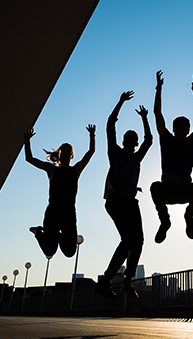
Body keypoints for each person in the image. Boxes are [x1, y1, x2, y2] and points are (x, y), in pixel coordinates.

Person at [93, 91, 153, 301]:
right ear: (124, 141)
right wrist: (120, 102)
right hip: (116, 200)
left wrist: (145, 119)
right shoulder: (115, 153)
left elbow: (149, 140)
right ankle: (106, 281)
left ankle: (126, 281)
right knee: (128, 239)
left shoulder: (137, 158)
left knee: (138, 241)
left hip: (130, 202)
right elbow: (110, 125)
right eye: (128, 138)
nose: (130, 141)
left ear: (134, 143)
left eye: (133, 139)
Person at [150, 70, 193, 243]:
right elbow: (157, 114)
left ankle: (189, 216)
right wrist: (158, 89)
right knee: (154, 187)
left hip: (184, 190)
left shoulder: (192, 142)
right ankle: (165, 221)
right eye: (178, 129)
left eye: (185, 130)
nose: (182, 133)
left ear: (188, 131)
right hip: (167, 191)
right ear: (173, 129)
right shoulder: (166, 139)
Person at [24, 124, 95, 258]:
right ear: (60, 155)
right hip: (53, 212)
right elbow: (29, 159)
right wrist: (27, 140)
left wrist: (92, 135)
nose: (66, 156)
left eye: (69, 153)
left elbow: (90, 153)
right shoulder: (52, 170)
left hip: (69, 213)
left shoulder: (76, 170)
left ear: (72, 156)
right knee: (49, 251)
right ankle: (39, 232)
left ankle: (57, 235)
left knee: (70, 252)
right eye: (64, 153)